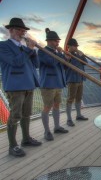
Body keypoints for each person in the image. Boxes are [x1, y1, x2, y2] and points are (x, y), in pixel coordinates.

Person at [0, 18, 42, 157]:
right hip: (15, 86)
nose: (22, 32)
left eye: (23, 30)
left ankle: (26, 139)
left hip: (29, 84)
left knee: (26, 114)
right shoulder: (3, 46)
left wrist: (33, 51)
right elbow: (15, 62)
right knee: (15, 115)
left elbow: (36, 65)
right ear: (10, 30)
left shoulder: (25, 48)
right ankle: (12, 146)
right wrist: (28, 50)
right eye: (19, 29)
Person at [38, 29, 68, 141]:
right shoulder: (41, 51)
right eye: (56, 41)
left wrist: (62, 55)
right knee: (47, 107)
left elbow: (65, 65)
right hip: (48, 84)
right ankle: (47, 131)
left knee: (57, 105)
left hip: (58, 83)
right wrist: (59, 54)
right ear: (50, 41)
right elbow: (51, 62)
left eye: (58, 41)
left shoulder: (56, 53)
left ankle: (57, 127)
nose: (58, 43)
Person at [65, 38, 88, 127]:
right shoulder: (67, 54)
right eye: (74, 46)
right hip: (72, 79)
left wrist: (82, 55)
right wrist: (78, 56)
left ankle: (78, 115)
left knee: (78, 98)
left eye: (76, 46)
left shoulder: (77, 54)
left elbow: (85, 63)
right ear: (69, 47)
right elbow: (71, 65)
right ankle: (69, 119)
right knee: (70, 99)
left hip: (80, 79)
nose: (76, 47)